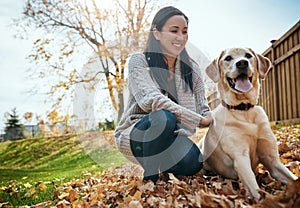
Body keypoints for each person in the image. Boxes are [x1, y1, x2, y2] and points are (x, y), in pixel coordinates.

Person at [114, 6, 213, 183]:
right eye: (174, 31)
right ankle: (150, 178)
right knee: (164, 117)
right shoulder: (139, 61)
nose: (180, 37)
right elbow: (151, 101)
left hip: (172, 136)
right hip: (138, 133)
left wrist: (218, 115)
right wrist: (198, 120)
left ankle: (162, 165)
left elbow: (203, 109)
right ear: (157, 33)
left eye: (184, 31)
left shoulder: (193, 70)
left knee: (193, 162)